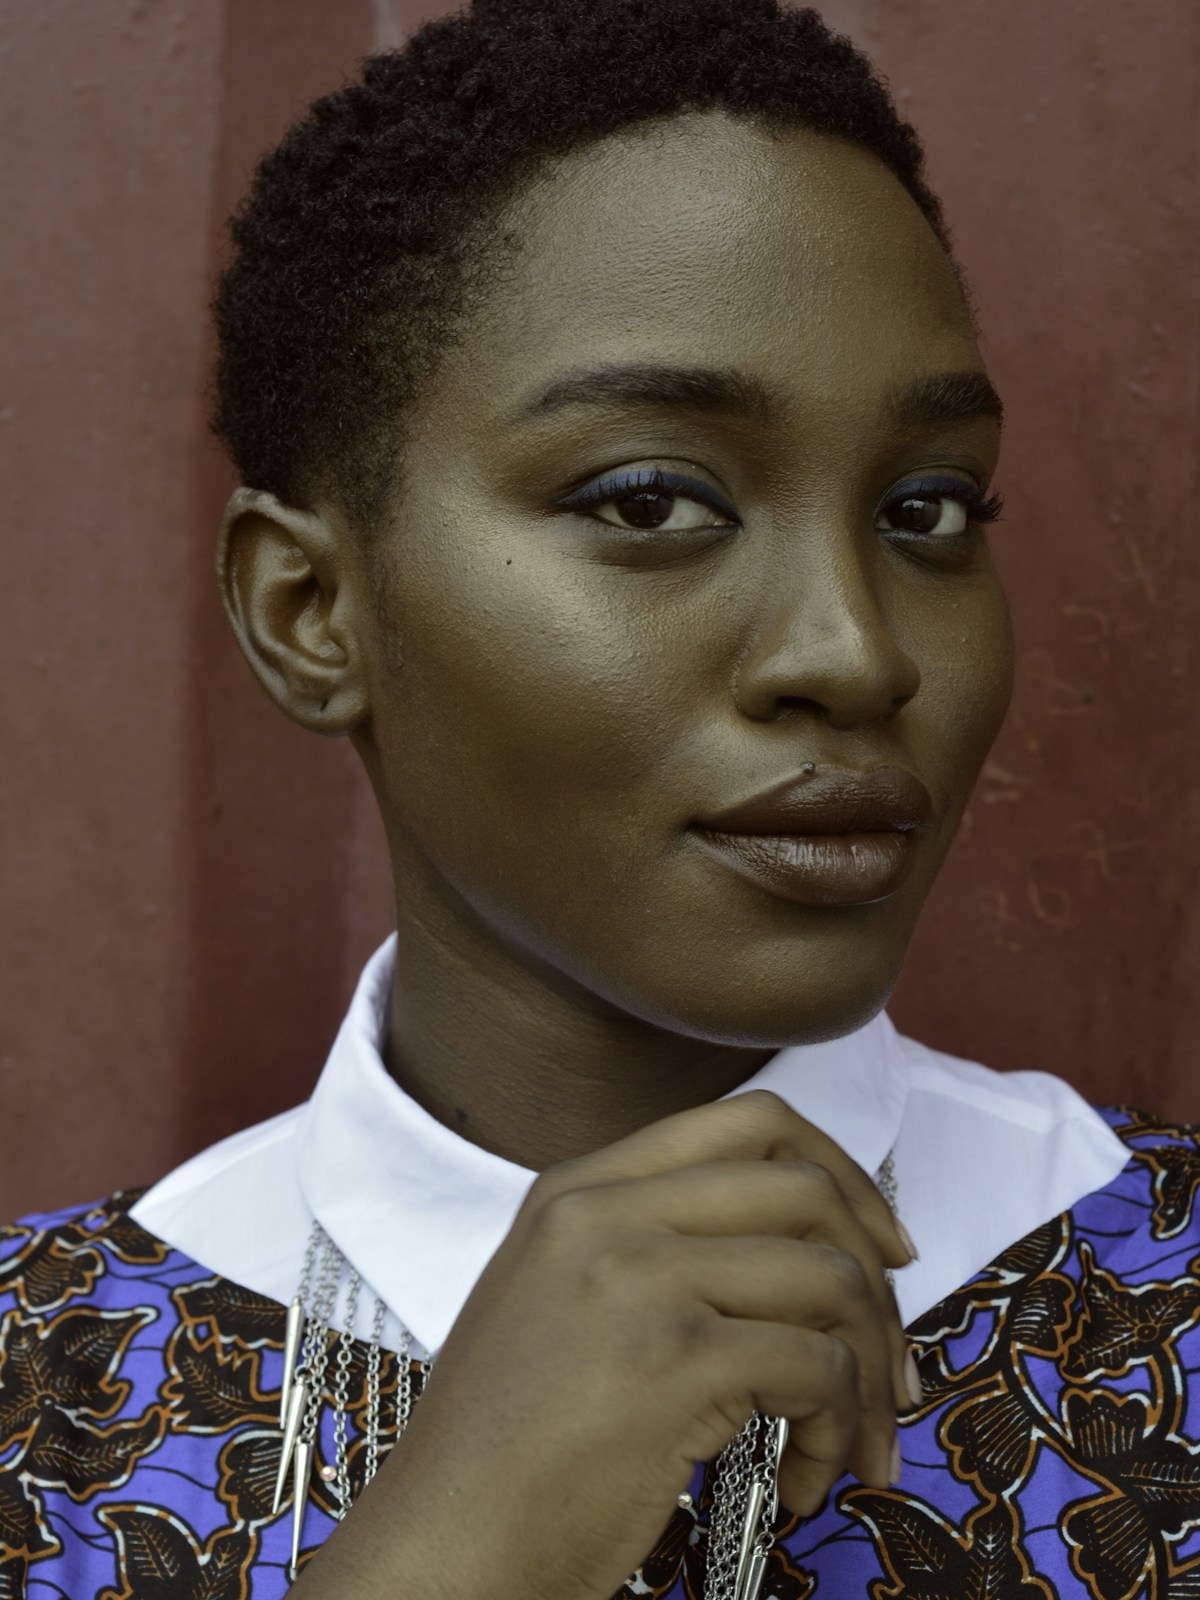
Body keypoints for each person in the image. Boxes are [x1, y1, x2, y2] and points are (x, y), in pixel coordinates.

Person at [2, 1, 1197, 1596]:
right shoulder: (36, 1408)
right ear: (311, 612)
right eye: (651, 500)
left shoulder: (1163, 1289)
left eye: (927, 508)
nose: (856, 653)